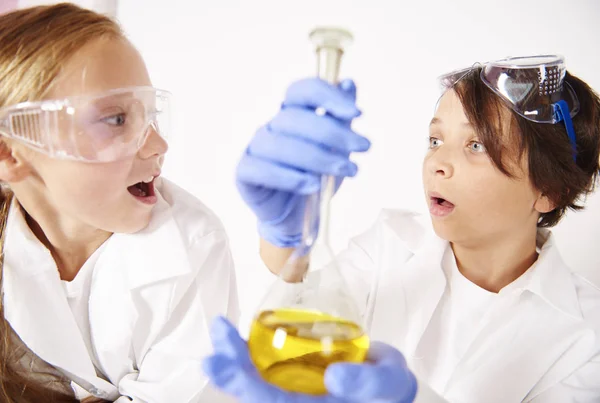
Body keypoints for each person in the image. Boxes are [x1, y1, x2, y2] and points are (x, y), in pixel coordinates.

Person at [203, 55, 600, 402]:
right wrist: (288, 233)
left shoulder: (586, 335)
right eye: (435, 139)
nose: (437, 163)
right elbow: (304, 302)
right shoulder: (390, 241)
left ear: (549, 190)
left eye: (476, 145)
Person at [0, 3, 238, 402]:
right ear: (10, 155)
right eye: (116, 120)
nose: (159, 145)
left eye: (150, 115)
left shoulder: (193, 245)